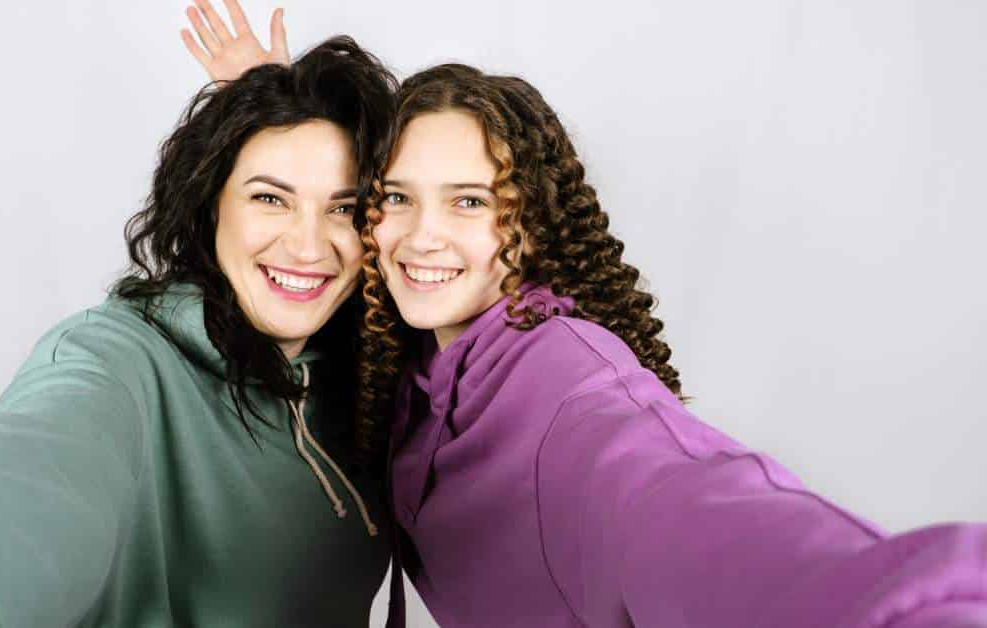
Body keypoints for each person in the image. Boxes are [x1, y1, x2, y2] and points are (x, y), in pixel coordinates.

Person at [186, 2, 987, 626]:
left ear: (533, 223)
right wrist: (272, 111)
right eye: (397, 198)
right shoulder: (415, 355)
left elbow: (692, 510)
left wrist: (921, 609)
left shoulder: (569, 386)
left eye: (470, 201)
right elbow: (298, 269)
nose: (420, 236)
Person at [0, 29, 398, 628]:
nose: (308, 244)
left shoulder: (368, 373)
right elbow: (35, 469)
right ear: (212, 202)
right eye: (270, 198)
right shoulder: (118, 358)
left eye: (342, 208)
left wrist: (274, 109)